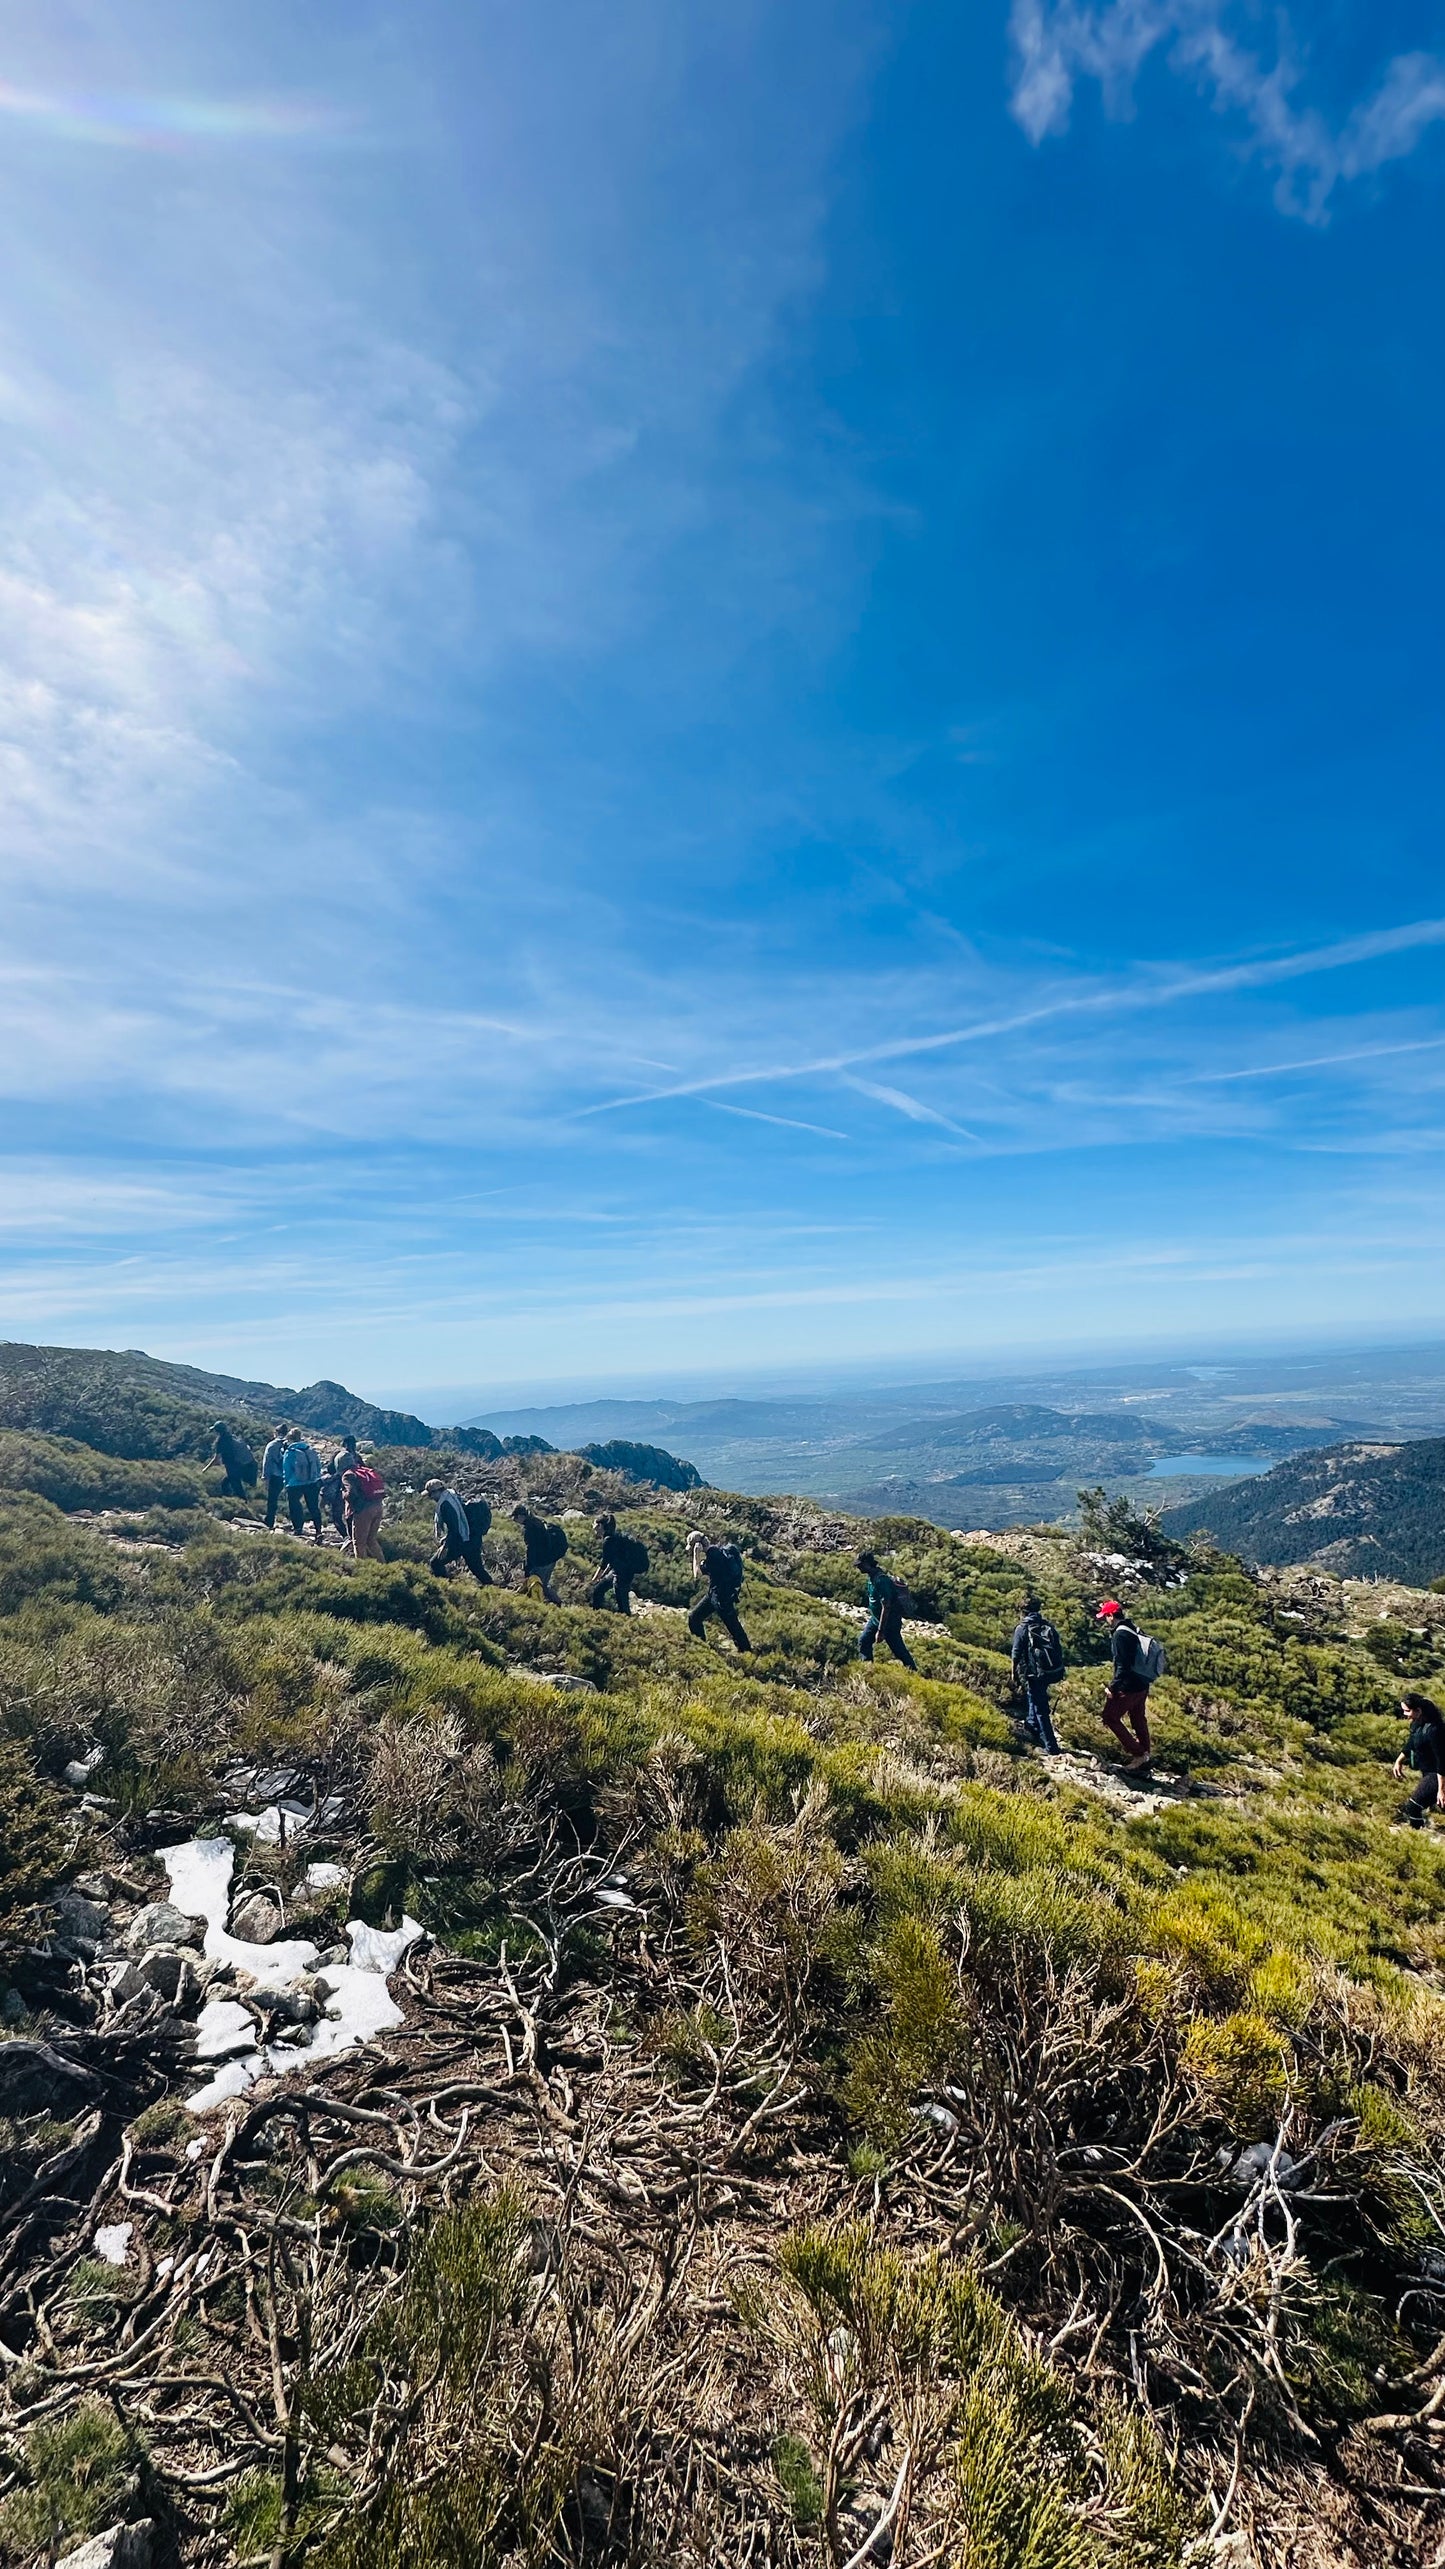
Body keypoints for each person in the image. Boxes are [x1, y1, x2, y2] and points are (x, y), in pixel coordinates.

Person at [1096, 1599, 1153, 1773]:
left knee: (1110, 1717)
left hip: (1128, 1686)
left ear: (1112, 1615)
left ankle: (1139, 1754)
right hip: (1142, 1683)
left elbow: (1122, 1665)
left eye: (1106, 1616)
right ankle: (1145, 1758)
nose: (1106, 1620)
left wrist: (1112, 1687)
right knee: (1138, 1719)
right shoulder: (1133, 1628)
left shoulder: (1120, 1634)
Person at [1010, 1594, 1064, 1755]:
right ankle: (1032, 1727)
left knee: (1040, 1707)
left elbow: (1016, 1652)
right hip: (1048, 1671)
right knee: (1035, 1697)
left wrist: (1013, 1672)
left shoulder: (1022, 1628)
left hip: (1033, 1673)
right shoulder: (1047, 1626)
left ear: (1022, 1611)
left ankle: (1051, 1746)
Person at [686, 1529, 750, 1652]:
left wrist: (696, 1555)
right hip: (715, 1595)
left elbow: (697, 1574)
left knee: (733, 1627)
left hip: (721, 1598)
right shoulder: (719, 1551)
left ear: (698, 1545)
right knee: (694, 1617)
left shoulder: (713, 1558)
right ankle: (702, 1647)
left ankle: (747, 1652)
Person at [1392, 1692, 1445, 1828]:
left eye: (1407, 1711)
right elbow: (1411, 1743)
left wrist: (1441, 1789)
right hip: (1428, 1773)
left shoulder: (1434, 1730)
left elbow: (1442, 1761)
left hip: (1437, 1774)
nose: (1405, 1714)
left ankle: (1416, 1835)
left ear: (1418, 1711)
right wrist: (1399, 1761)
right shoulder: (1417, 1725)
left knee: (1413, 1806)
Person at [856, 1552, 916, 1671]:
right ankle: (868, 1670)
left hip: (889, 1623)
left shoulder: (881, 1581)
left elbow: (886, 1606)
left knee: (898, 1650)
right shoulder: (871, 1578)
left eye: (860, 1565)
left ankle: (913, 1671)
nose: (859, 1568)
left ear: (868, 1564)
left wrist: (881, 1631)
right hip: (875, 1620)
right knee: (864, 1641)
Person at [426, 1478, 492, 1583]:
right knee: (477, 1569)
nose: (431, 1498)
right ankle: (492, 1588)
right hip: (472, 1537)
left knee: (435, 1563)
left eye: (430, 1495)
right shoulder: (452, 1495)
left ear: (437, 1492)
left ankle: (444, 1589)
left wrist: (445, 1546)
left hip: (461, 1541)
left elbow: (455, 1529)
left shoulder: (445, 1504)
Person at [588, 1514, 647, 1614]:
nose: (593, 1526)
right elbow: (611, 1562)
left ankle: (627, 1623)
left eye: (594, 1524)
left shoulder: (608, 1540)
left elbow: (604, 1563)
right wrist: (601, 1577)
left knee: (622, 1603)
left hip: (623, 1573)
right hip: (620, 1570)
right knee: (598, 1589)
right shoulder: (614, 1537)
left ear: (600, 1526)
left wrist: (593, 1579)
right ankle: (596, 1615)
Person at [512, 1502, 567, 1602]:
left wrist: (528, 1568)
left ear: (521, 1516)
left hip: (542, 1562)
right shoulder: (538, 1521)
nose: (514, 1521)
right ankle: (556, 1602)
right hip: (550, 1559)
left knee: (537, 1585)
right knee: (542, 1585)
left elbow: (531, 1550)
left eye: (515, 1518)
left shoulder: (530, 1528)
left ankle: (552, 1604)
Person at [282, 1428, 324, 1543]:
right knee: (313, 1507)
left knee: (295, 1505)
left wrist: (286, 1484)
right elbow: (318, 1466)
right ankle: (319, 1530)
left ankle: (298, 1529)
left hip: (295, 1483)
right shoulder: (310, 1450)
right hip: (312, 1482)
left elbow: (287, 1470)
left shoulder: (290, 1452)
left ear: (290, 1439)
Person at [344, 1452, 387, 1561]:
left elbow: (350, 1494)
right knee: (371, 1540)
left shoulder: (348, 1475)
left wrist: (343, 1494)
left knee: (359, 1543)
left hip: (364, 1510)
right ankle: (383, 1565)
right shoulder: (364, 1471)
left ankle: (362, 1569)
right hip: (378, 1506)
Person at [320, 1435, 361, 1537]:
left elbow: (330, 1469)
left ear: (344, 1443)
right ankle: (354, 1537)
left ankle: (346, 1537)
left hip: (339, 1488)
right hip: (356, 1489)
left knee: (337, 1516)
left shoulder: (338, 1455)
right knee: (352, 1515)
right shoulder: (357, 1457)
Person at [210, 1420, 256, 1499]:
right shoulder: (231, 1436)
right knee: (226, 1483)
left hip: (233, 1467)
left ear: (218, 1431)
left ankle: (242, 1504)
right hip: (244, 1465)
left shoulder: (221, 1441)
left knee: (236, 1487)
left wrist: (205, 1469)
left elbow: (216, 1459)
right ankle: (230, 1500)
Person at [261, 1424, 290, 1530]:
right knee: (291, 1500)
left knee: (272, 1499)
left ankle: (270, 1521)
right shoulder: (291, 1444)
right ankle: (296, 1523)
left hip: (275, 1475)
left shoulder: (272, 1445)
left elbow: (267, 1462)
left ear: (276, 1433)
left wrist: (265, 1477)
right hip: (289, 1476)